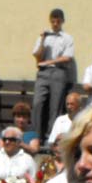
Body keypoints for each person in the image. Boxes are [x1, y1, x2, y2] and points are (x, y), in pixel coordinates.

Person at [31, 9, 75, 142]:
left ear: (62, 21)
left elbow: (67, 58)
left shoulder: (67, 38)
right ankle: (36, 137)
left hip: (59, 72)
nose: (55, 24)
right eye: (53, 21)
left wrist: (49, 62)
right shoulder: (44, 36)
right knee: (37, 103)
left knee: (55, 107)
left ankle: (50, 138)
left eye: (58, 21)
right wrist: (42, 40)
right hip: (43, 72)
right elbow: (37, 55)